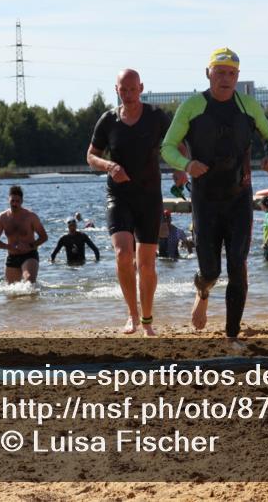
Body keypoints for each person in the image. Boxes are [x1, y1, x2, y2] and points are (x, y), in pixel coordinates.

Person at [161, 47, 268, 344]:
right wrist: (188, 164)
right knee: (210, 270)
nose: (225, 79)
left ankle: (231, 335)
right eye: (220, 72)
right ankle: (203, 292)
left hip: (239, 197)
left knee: (237, 264)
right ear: (208, 73)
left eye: (231, 73)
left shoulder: (248, 105)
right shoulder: (192, 106)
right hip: (205, 200)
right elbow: (167, 147)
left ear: (237, 76)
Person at [86, 68, 178, 335]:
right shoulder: (108, 121)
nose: (127, 94)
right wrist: (109, 165)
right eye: (122, 89)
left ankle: (147, 319)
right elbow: (91, 156)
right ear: (116, 90)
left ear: (141, 88)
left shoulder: (156, 117)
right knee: (123, 254)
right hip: (119, 195)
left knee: (147, 265)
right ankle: (132, 315)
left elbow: (177, 142)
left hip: (149, 197)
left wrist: (181, 166)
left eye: (132, 89)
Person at [0, 185, 48, 284]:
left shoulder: (30, 217)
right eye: (12, 201)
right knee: (12, 291)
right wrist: (7, 246)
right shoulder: (3, 217)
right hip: (12, 256)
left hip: (29, 255)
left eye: (17, 201)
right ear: (8, 200)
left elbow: (44, 237)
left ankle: (33, 299)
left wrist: (30, 245)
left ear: (22, 201)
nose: (14, 204)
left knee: (29, 281)